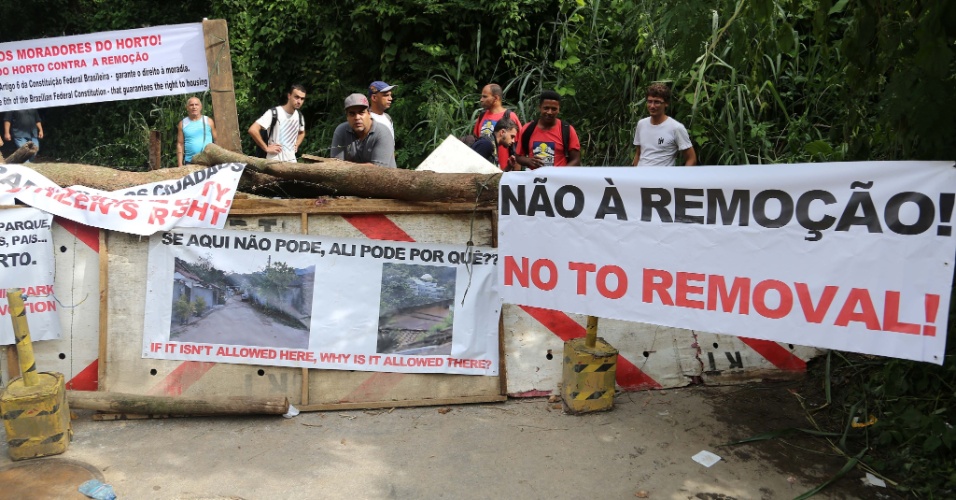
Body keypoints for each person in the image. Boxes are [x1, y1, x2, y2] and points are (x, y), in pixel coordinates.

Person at [631, 83, 697, 166]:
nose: (652, 106)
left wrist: (681, 177)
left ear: (666, 103)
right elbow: (638, 154)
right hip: (640, 177)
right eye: (649, 101)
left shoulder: (676, 127)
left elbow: (691, 158)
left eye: (657, 102)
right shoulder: (641, 124)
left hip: (663, 178)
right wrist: (634, 174)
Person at [515, 90, 581, 169]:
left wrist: (562, 173)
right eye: (546, 108)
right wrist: (529, 161)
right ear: (539, 107)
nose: (549, 112)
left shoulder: (567, 129)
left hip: (558, 180)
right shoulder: (528, 128)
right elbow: (518, 157)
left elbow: (576, 159)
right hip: (535, 179)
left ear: (559, 109)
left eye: (554, 109)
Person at [330, 93, 396, 168]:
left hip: (384, 178)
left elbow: (378, 169)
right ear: (347, 117)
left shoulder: (383, 133)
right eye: (352, 114)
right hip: (349, 178)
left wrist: (345, 167)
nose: (357, 117)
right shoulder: (341, 131)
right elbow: (335, 164)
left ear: (369, 113)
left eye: (361, 113)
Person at [248, 84, 307, 162]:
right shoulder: (274, 113)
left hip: (292, 162)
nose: (299, 101)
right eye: (296, 97)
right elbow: (253, 129)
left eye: (302, 99)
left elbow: (302, 133)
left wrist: (297, 144)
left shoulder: (299, 116)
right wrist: (266, 148)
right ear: (289, 96)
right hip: (274, 162)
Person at [473, 83, 522, 170]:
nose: (481, 100)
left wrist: (515, 175)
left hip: (502, 169)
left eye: (485, 97)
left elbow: (518, 149)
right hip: (482, 170)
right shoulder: (482, 116)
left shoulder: (510, 116)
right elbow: (476, 141)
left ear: (496, 98)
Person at [177, 97, 218, 167]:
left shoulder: (208, 121)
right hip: (190, 161)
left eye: (196, 104)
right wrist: (180, 164)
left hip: (209, 161)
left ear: (201, 107)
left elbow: (217, 140)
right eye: (191, 105)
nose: (194, 107)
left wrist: (218, 159)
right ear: (187, 108)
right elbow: (180, 144)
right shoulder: (183, 123)